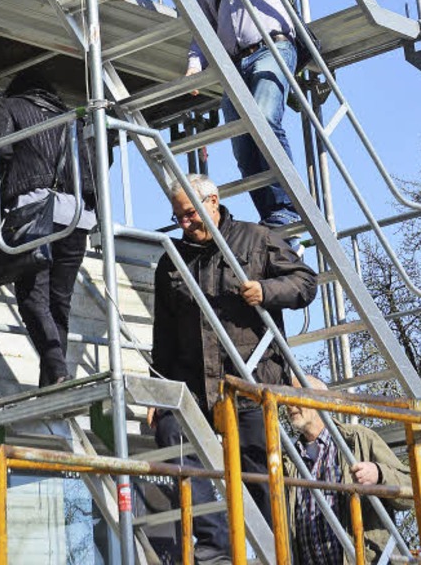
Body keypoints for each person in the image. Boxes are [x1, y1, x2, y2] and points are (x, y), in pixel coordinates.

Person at [150, 174, 317, 563]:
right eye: (178, 218)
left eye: (191, 214)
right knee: (172, 438)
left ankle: (269, 553)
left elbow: (305, 282)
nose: (186, 224)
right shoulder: (171, 260)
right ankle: (216, 543)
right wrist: (159, 391)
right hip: (194, 385)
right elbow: (164, 333)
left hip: (250, 383)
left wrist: (267, 290)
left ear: (213, 202)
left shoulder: (256, 239)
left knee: (257, 471)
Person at [186, 0, 300, 236]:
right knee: (241, 145)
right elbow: (202, 26)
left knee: (266, 120)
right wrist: (194, 63)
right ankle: (273, 215)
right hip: (234, 65)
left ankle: (287, 208)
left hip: (272, 48)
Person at [0, 69, 97, 387]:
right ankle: (51, 382)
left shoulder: (7, 105)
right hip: (78, 215)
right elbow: (93, 164)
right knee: (58, 301)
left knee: (33, 299)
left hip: (36, 210)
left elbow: (0, 151)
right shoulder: (71, 118)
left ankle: (58, 373)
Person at [285, 375, 412, 564]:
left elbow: (411, 491)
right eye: (285, 399)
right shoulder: (288, 460)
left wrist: (378, 474)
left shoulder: (358, 439)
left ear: (321, 400)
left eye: (296, 396)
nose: (288, 405)